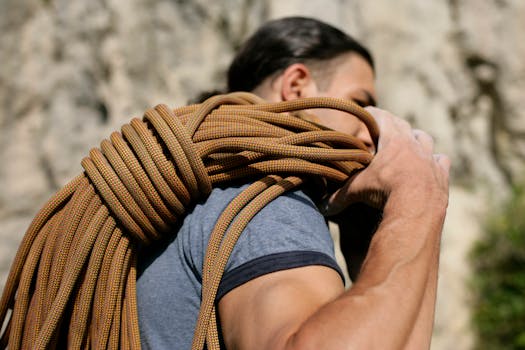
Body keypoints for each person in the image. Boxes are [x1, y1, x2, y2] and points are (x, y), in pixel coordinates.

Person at [136, 17, 450, 349]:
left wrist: (368, 250)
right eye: (359, 103)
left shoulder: (190, 200)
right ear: (297, 86)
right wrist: (417, 194)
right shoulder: (269, 200)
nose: (369, 135)